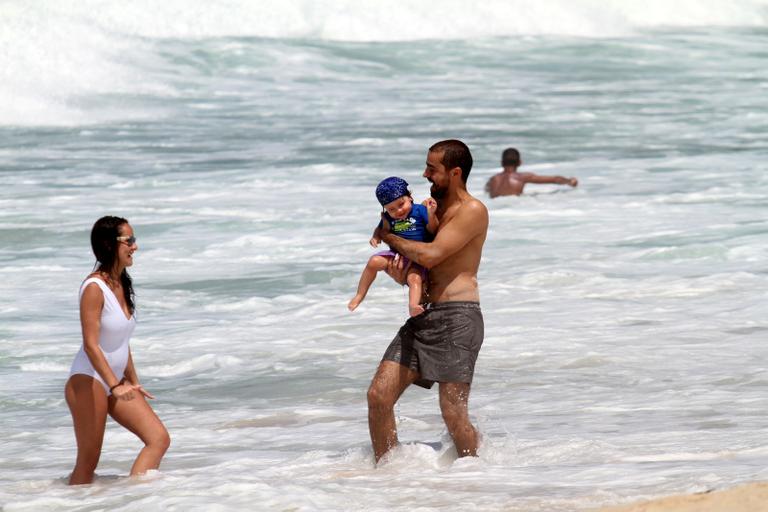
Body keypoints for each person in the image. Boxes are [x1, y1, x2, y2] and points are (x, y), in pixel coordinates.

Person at [366, 139, 488, 463]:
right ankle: (388, 480)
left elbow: (431, 256)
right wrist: (400, 273)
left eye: (432, 169)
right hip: (424, 316)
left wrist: (387, 235)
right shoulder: (426, 212)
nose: (425, 174)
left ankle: (475, 477)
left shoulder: (471, 210)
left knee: (453, 413)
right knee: (379, 396)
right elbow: (417, 264)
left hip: (458, 317)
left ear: (455, 172)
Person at [65, 216, 169, 485]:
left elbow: (122, 340)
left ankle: (135, 499)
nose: (135, 246)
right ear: (110, 244)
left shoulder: (122, 283)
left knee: (158, 439)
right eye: (129, 240)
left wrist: (132, 381)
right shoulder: (94, 288)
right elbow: (91, 344)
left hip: (115, 381)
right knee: (88, 463)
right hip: (89, 380)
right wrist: (114, 385)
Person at [348, 177, 439, 317]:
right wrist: (375, 237)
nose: (398, 211)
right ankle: (359, 295)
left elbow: (433, 230)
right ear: (385, 209)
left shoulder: (420, 210)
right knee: (374, 261)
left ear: (410, 197)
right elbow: (380, 230)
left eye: (401, 204)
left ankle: (413, 306)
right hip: (397, 256)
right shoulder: (388, 218)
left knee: (414, 278)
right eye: (391, 209)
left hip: (418, 258)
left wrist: (431, 215)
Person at [485, 147, 578, 198]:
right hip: (514, 208)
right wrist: (570, 181)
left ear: (502, 163)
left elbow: (487, 193)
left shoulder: (493, 180)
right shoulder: (522, 177)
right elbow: (555, 179)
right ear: (519, 162)